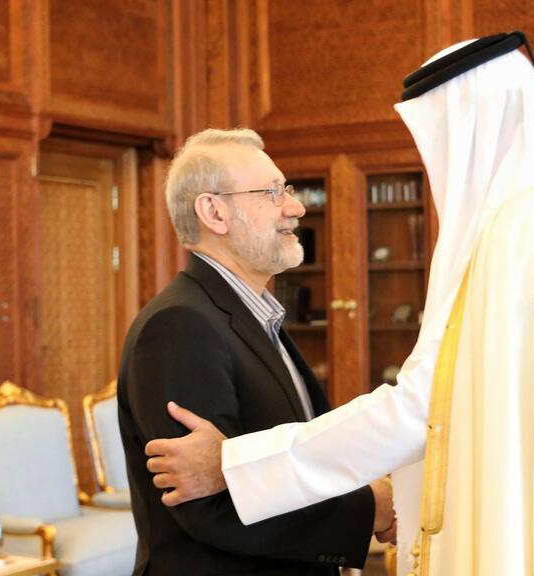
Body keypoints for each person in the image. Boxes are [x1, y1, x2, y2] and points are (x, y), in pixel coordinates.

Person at [144, 33, 534, 575]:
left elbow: (427, 407)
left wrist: (234, 464)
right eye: (272, 192)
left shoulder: (520, 232)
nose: (297, 207)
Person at [117, 128, 396, 576]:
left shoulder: (253, 315)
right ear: (214, 212)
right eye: (272, 192)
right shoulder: (179, 326)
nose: (296, 207)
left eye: (286, 189)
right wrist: (368, 510)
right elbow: (210, 505)